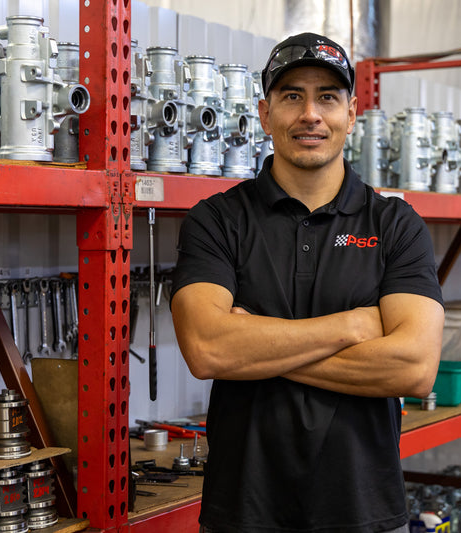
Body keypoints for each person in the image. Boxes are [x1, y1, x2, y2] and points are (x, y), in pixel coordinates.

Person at [170, 32, 444, 533]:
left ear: (352, 113)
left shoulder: (395, 225)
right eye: (292, 95)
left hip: (366, 514)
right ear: (264, 112)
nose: (310, 114)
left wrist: (257, 349)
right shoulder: (216, 220)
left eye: (328, 98)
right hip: (243, 514)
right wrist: (353, 326)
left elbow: (415, 367)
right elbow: (208, 350)